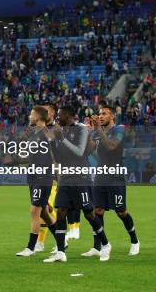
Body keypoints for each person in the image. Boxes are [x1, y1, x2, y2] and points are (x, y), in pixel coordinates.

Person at [43, 105, 111, 263]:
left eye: (61, 114)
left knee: (89, 213)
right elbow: (60, 158)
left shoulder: (81, 129)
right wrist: (53, 141)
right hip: (66, 178)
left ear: (71, 116)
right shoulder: (62, 131)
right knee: (61, 212)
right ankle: (60, 252)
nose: (58, 117)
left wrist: (61, 138)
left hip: (81, 178)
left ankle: (106, 244)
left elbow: (79, 152)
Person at [82, 105, 139, 257]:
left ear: (112, 116)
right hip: (101, 175)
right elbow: (88, 151)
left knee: (121, 211)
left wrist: (98, 129)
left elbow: (111, 146)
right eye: (99, 113)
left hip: (116, 175)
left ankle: (134, 241)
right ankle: (97, 246)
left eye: (104, 114)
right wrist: (88, 133)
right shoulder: (97, 131)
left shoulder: (119, 129)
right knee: (97, 211)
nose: (100, 116)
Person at [16, 106, 58, 257]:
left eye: (31, 114)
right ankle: (61, 240)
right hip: (33, 176)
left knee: (35, 211)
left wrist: (58, 175)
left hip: (43, 177)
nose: (29, 116)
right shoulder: (34, 134)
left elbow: (55, 157)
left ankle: (30, 248)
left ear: (39, 117)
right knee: (45, 213)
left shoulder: (48, 134)